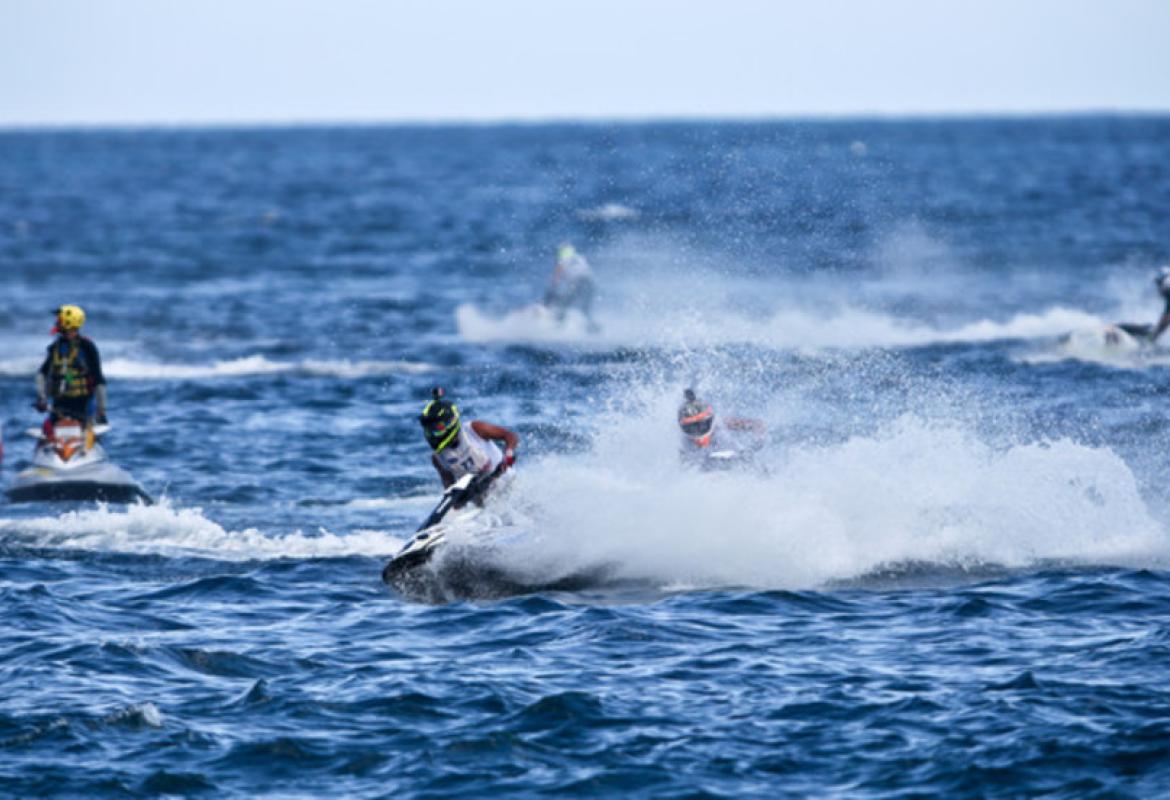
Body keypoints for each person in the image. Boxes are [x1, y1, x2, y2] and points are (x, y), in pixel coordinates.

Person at [419, 387, 518, 501]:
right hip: (486, 502)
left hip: (509, 487)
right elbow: (450, 488)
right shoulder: (438, 458)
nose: (433, 434)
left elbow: (510, 436)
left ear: (451, 422)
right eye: (429, 430)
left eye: (438, 428)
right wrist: (457, 501)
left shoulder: (475, 429)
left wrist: (508, 454)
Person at [35, 305, 107, 436]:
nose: (56, 322)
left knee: (85, 430)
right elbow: (42, 373)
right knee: (47, 428)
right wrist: (42, 398)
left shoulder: (87, 347)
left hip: (83, 405)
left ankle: (87, 441)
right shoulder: (55, 347)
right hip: (59, 405)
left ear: (69, 322)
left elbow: (98, 379)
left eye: (60, 319)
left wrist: (101, 410)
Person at [677, 388, 765, 466]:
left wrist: (758, 441)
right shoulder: (684, 446)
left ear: (711, 420)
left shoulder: (722, 423)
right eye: (691, 428)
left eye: (702, 425)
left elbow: (758, 424)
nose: (697, 431)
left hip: (739, 463)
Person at [544, 242, 598, 330]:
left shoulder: (564, 260)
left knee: (563, 304)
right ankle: (591, 326)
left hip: (578, 282)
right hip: (590, 283)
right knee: (585, 307)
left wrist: (550, 292)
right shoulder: (580, 257)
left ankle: (558, 325)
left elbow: (557, 276)